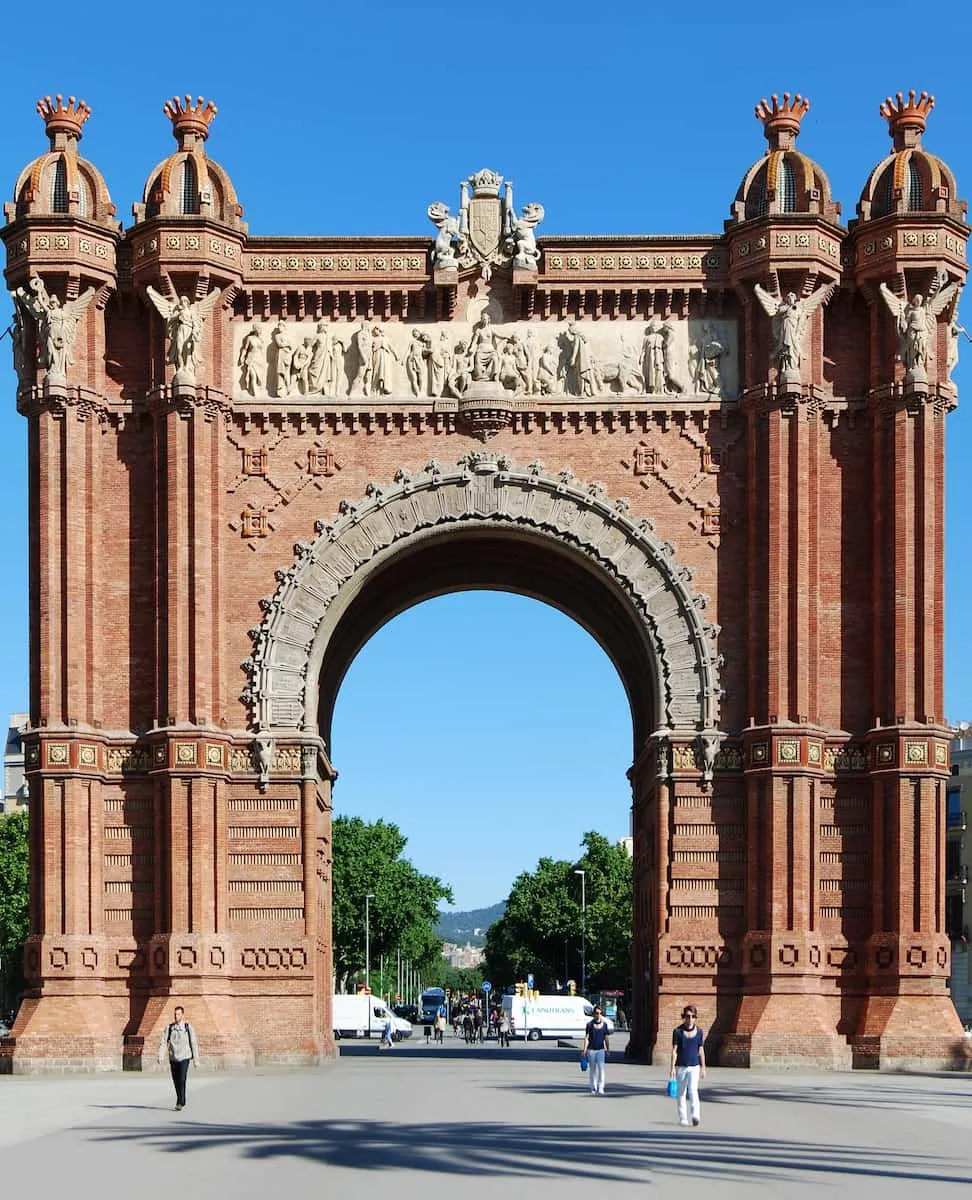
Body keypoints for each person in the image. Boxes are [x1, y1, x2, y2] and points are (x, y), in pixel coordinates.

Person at [157, 1005, 199, 1111]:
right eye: (175, 1014)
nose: (176, 1016)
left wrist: (196, 1060)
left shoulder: (188, 1027)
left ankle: (181, 1101)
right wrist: (161, 1055)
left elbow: (193, 1043)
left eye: (179, 1014)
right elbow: (163, 1042)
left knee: (182, 1079)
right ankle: (179, 1098)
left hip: (185, 1057)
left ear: (182, 1015)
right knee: (176, 1080)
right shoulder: (170, 1028)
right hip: (173, 1057)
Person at [670, 1004, 706, 1127]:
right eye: (687, 1016)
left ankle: (695, 1116)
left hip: (694, 1066)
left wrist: (703, 1067)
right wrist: (672, 1068)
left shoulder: (700, 1032)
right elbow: (674, 1050)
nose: (690, 1019)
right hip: (681, 1067)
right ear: (683, 1017)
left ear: (695, 1018)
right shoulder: (678, 1032)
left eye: (692, 1016)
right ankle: (683, 1118)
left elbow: (701, 1050)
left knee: (693, 1091)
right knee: (681, 1093)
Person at [582, 1004, 610, 1095]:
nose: (598, 1015)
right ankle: (593, 1087)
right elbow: (587, 1038)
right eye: (596, 1013)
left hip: (601, 1050)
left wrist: (608, 1049)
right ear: (593, 1014)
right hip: (591, 1050)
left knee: (601, 1069)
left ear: (602, 1014)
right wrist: (584, 1050)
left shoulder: (605, 1025)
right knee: (592, 1070)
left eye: (600, 1013)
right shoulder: (589, 1025)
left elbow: (606, 1038)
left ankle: (601, 1088)